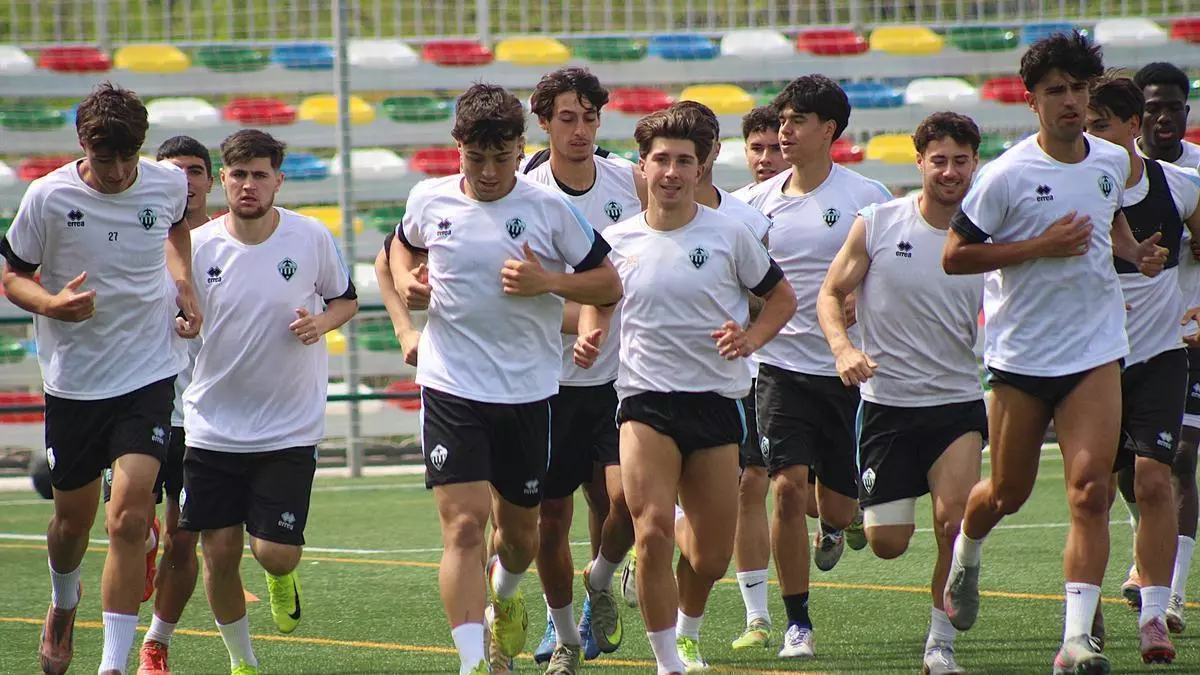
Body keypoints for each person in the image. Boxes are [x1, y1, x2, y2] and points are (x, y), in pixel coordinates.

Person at [941, 31, 1168, 674]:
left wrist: (1133, 252)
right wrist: (1038, 247)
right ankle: (967, 553)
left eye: (1080, 89)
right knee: (1005, 491)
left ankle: (1074, 642)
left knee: (1090, 491)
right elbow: (955, 255)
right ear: (1032, 101)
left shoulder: (1113, 160)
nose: (1071, 101)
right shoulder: (1006, 175)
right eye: (1056, 91)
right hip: (1021, 358)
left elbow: (1110, 216)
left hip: (1095, 349)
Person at [386, 83, 622, 675]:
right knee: (464, 526)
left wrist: (550, 283)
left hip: (528, 393)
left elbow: (608, 284)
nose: (489, 173)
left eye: (501, 157)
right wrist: (408, 293)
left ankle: (507, 594)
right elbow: (399, 250)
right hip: (450, 387)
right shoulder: (429, 200)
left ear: (520, 146)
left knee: (520, 540)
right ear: (457, 147)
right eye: (476, 158)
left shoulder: (548, 210)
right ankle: (473, 663)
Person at [575, 105, 796, 675]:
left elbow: (781, 298)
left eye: (683, 161)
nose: (671, 172)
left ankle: (684, 605)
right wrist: (591, 333)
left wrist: (751, 338)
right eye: (660, 160)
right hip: (644, 402)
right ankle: (668, 661)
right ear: (643, 167)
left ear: (700, 169)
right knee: (649, 532)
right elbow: (597, 302)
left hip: (717, 403)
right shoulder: (615, 241)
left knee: (710, 556)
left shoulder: (730, 234)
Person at [0, 82, 200, 675]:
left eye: (127, 157)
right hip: (76, 382)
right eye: (103, 157)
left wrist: (184, 284)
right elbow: (13, 276)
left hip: (148, 373)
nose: (115, 172)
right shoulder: (48, 196)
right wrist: (52, 305)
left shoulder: (167, 183)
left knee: (131, 518)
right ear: (82, 145)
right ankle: (64, 602)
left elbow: (177, 230)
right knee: (72, 525)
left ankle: (112, 664)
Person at [178, 129, 358, 675]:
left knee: (275, 553)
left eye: (259, 175)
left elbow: (345, 300)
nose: (248, 185)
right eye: (238, 174)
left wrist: (321, 323)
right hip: (213, 425)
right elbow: (175, 315)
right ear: (222, 179)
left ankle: (282, 576)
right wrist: (184, 324)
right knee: (219, 552)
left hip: (288, 427)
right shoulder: (198, 246)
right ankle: (243, 661)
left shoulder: (309, 237)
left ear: (278, 180)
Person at [817, 112, 986, 675]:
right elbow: (830, 292)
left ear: (975, 163)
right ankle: (847, 518)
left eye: (960, 160)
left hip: (957, 403)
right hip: (887, 406)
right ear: (919, 163)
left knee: (952, 523)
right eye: (939, 160)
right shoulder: (879, 223)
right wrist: (843, 348)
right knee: (887, 542)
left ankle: (940, 645)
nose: (950, 171)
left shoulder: (990, 231)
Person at [743, 74, 892, 659]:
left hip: (848, 370)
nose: (784, 130)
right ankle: (797, 622)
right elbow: (742, 283)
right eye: (782, 120)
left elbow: (893, 269)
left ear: (829, 130)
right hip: (779, 368)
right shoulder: (756, 205)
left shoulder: (868, 196)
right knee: (784, 488)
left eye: (797, 121)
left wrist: (863, 298)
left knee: (838, 503)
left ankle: (836, 523)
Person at [511, 67, 646, 671]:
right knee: (552, 514)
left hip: (620, 376)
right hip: (548, 380)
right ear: (543, 122)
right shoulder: (522, 189)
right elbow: (526, 290)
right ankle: (559, 617)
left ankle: (600, 583)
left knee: (625, 500)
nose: (581, 130)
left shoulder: (629, 180)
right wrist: (585, 318)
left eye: (590, 118)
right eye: (567, 118)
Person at [1087, 74, 1200, 664]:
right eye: (1085, 126)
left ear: (1131, 127)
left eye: (1100, 125)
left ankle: (1158, 611)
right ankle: (1086, 611)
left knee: (1162, 475)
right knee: (1094, 491)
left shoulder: (1180, 184)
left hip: (1161, 354)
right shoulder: (1071, 189)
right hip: (1090, 358)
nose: (1089, 136)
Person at [670, 100, 779, 653]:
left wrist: (746, 326)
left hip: (737, 375)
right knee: (669, 508)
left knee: (752, 483)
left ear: (712, 152)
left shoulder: (746, 221)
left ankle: (756, 615)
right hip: (660, 383)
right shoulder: (643, 216)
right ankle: (653, 530)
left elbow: (768, 296)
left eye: (698, 149)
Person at [1120, 62, 1200, 631]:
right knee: (1130, 470)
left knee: (1181, 457)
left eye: (1175, 106)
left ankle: (1172, 592)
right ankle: (1145, 549)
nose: (1165, 117)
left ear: (1187, 111)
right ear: (1136, 116)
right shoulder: (1112, 174)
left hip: (1187, 337)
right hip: (1122, 338)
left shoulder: (1195, 174)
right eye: (1154, 108)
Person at [133, 135, 213, 675]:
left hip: (202, 415)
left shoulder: (233, 242)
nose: (184, 180)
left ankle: (156, 644)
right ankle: (143, 539)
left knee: (185, 542)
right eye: (173, 170)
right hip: (142, 402)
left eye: (194, 170)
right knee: (129, 523)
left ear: (210, 181)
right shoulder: (136, 242)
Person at [733, 105, 788, 199]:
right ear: (746, 153)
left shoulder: (810, 202)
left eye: (776, 149)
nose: (765, 159)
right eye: (757, 149)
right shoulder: (733, 203)